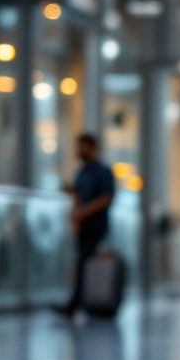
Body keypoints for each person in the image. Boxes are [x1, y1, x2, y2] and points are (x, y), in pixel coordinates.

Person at [56, 133, 115, 318]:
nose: (79, 150)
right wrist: (75, 212)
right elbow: (78, 196)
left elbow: (106, 198)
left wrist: (85, 212)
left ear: (92, 148)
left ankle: (78, 305)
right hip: (84, 226)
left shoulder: (104, 171)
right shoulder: (81, 172)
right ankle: (79, 303)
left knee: (85, 264)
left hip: (97, 226)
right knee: (81, 264)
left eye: (83, 147)